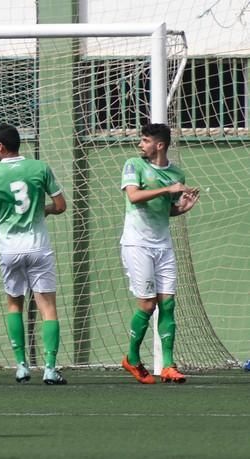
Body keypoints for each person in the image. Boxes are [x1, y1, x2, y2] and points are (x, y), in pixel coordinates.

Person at [0, 123, 67, 385]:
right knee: (48, 307)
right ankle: (50, 368)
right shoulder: (40, 168)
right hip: (38, 247)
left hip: (9, 249)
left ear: (1, 146)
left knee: (14, 303)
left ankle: (22, 366)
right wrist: (43, 210)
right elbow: (61, 206)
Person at [119, 123, 199, 384]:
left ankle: (168, 365)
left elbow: (167, 209)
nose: (140, 144)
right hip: (137, 244)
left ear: (160, 145)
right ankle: (132, 358)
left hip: (162, 244)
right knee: (147, 304)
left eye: (145, 140)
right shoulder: (134, 165)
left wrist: (182, 208)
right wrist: (168, 190)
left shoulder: (177, 173)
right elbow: (133, 196)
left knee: (168, 304)